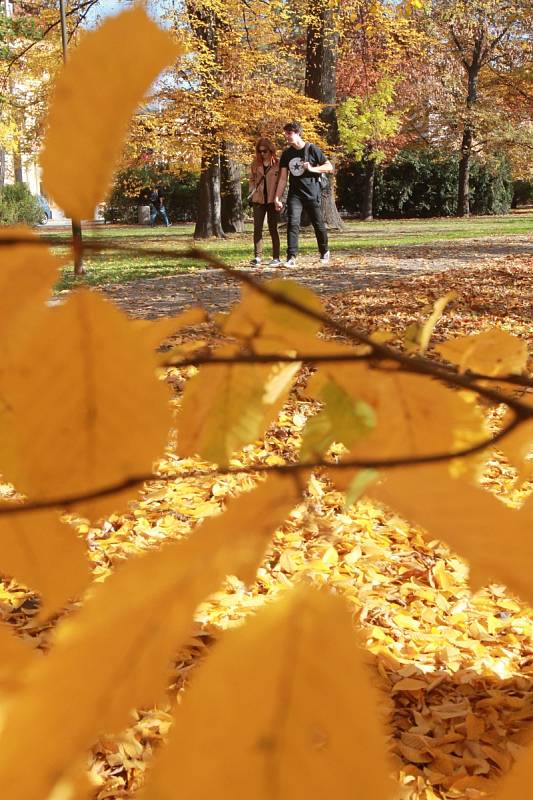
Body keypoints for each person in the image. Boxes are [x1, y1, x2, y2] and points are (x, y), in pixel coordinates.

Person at [274, 121, 333, 267]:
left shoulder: (312, 149)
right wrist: (277, 197)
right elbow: (282, 178)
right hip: (295, 194)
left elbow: (329, 166)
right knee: (292, 223)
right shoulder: (287, 154)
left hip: (312, 192)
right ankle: (291, 257)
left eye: (289, 133)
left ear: (298, 133)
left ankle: (324, 251)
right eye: (286, 133)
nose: (287, 136)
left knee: (318, 224)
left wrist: (312, 169)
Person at [248, 138, 281, 267]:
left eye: (265, 151)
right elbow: (251, 179)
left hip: (273, 200)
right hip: (259, 200)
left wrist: (279, 197)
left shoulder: (278, 164)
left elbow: (282, 181)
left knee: (273, 228)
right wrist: (252, 191)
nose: (262, 154)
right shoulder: (255, 164)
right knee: (257, 228)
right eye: (259, 151)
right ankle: (257, 257)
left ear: (271, 150)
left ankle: (276, 257)